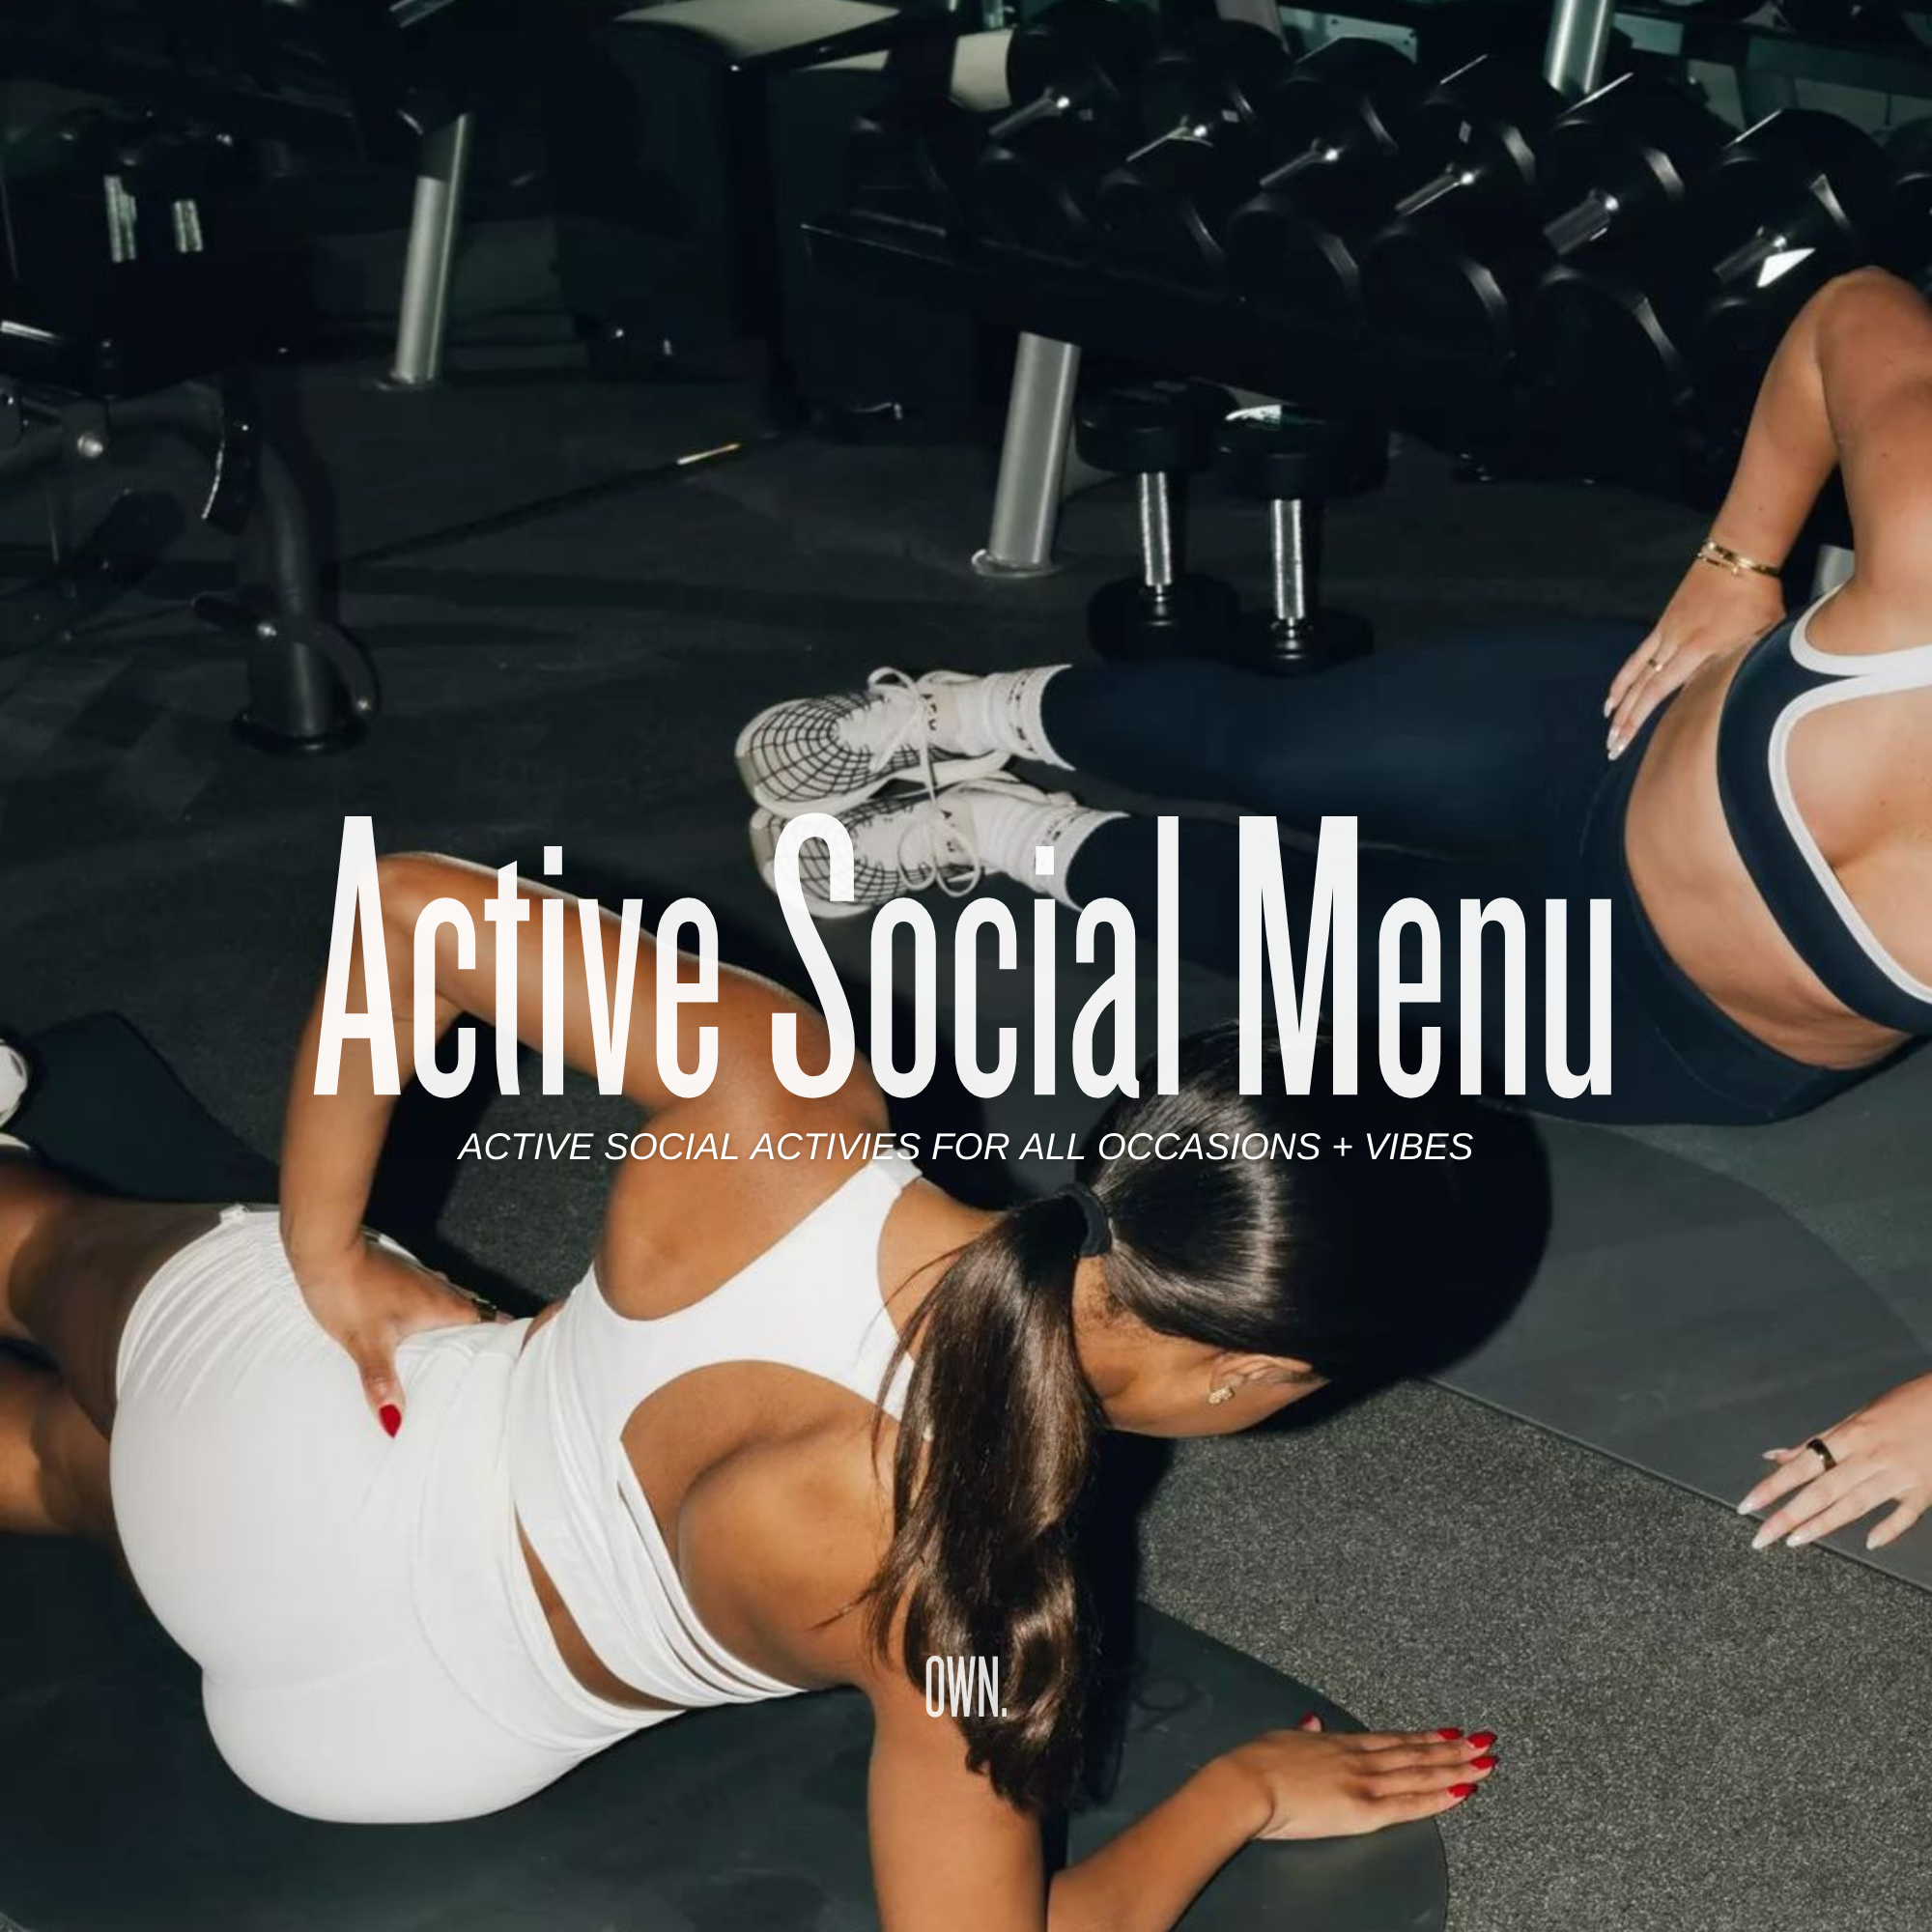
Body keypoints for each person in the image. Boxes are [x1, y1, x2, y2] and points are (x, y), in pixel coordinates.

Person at [0, 854, 1526, 1929]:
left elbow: (407, 916)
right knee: (79, 1473)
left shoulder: (785, 1103)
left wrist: (330, 1255)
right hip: (368, 1737)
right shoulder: (977, 1604)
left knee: (50, 1250)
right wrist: (1242, 1793)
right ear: (1260, 1367)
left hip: (289, 1426)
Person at [734, 268, 1932, 1548]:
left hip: (1671, 1015)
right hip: (1619, 736)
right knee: (1277, 749)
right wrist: (1740, 559)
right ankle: (970, 712)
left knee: (1296, 925)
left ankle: (1002, 835)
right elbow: (1851, 313)